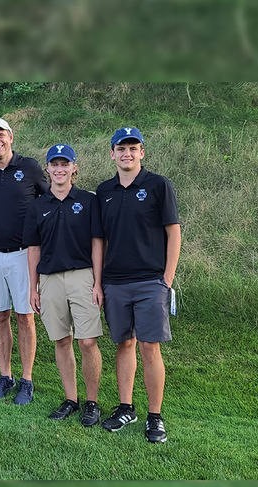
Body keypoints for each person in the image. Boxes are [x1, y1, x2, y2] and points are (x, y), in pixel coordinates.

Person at [97, 127, 181, 443]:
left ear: (142, 152)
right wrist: (101, 280)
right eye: (121, 148)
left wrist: (166, 280)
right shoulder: (104, 191)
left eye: (133, 148)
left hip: (150, 281)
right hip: (116, 282)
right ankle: (126, 407)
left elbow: (173, 233)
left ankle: (155, 417)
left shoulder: (159, 185)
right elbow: (101, 240)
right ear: (112, 153)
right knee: (124, 344)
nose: (127, 153)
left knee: (149, 346)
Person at [23, 144, 104, 426]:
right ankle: (71, 399)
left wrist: (97, 281)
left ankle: (92, 402)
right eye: (54, 164)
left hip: (82, 276)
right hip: (49, 279)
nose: (59, 169)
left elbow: (97, 242)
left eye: (64, 164)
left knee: (88, 340)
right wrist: (33, 288)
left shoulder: (88, 200)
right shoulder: (38, 205)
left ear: (74, 167)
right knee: (61, 339)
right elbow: (33, 248)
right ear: (47, 169)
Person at [0, 117, 48, 404]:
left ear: (11, 136)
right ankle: (6, 376)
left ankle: (26, 379)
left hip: (22, 254)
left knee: (25, 317)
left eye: (0, 135)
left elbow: (49, 200)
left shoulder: (29, 167)